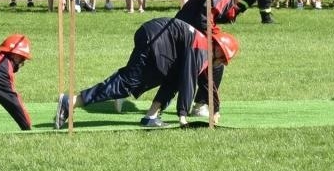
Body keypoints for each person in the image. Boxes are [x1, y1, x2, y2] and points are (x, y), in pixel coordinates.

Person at [55, 20, 238, 129]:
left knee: (172, 77)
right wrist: (182, 116)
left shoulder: (203, 48)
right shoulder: (202, 49)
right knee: (128, 82)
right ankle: (72, 101)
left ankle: (151, 116)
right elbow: (188, 80)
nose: (222, 63)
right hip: (155, 38)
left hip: (155, 36)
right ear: (218, 49)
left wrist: (216, 109)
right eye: (223, 59)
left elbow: (206, 82)